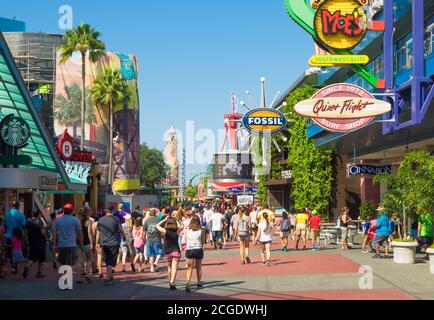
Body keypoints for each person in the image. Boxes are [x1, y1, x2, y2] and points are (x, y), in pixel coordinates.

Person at [52, 203, 83, 287]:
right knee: (69, 263)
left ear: (63, 210)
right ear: (72, 210)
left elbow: (54, 233)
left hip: (61, 244)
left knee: (63, 263)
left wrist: (54, 244)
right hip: (71, 244)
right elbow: (80, 233)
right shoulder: (75, 220)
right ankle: (66, 282)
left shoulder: (57, 220)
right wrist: (81, 243)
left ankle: (64, 281)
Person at [96, 207, 124, 286]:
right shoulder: (116, 219)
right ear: (112, 211)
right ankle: (107, 279)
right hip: (113, 243)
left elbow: (98, 232)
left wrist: (97, 242)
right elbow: (121, 230)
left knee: (107, 259)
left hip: (103, 243)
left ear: (106, 211)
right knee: (110, 261)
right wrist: (124, 236)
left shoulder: (100, 220)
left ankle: (110, 275)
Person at [156, 213, 184, 290]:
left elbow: (157, 226)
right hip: (176, 250)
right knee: (174, 267)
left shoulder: (165, 231)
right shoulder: (177, 231)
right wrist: (178, 219)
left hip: (168, 251)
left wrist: (164, 220)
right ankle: (172, 282)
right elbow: (182, 226)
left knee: (169, 267)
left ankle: (169, 281)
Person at [185, 215, 206, 293]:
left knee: (189, 268)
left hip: (190, 249)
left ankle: (188, 282)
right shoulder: (201, 230)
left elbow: (185, 238)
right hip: (198, 249)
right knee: (198, 267)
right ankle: (198, 282)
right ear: (199, 221)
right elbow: (203, 241)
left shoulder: (187, 230)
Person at [23, 210, 47, 279]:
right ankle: (39, 272)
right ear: (39, 214)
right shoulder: (40, 222)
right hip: (40, 242)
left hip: (31, 242)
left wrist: (27, 239)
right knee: (41, 258)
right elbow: (43, 232)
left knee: (31, 257)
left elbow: (25, 231)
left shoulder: (29, 221)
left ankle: (26, 267)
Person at [4, 201, 26, 272]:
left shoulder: (7, 214)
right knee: (17, 250)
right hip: (18, 236)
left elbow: (5, 225)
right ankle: (15, 265)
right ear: (18, 206)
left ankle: (12, 266)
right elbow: (24, 225)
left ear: (12, 206)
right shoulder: (21, 214)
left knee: (10, 251)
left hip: (9, 236)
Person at [143, 208, 163, 273]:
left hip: (149, 239)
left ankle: (151, 267)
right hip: (157, 239)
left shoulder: (146, 221)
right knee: (159, 252)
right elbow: (162, 230)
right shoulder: (159, 220)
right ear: (155, 213)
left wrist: (144, 239)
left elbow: (144, 232)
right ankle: (156, 262)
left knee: (151, 254)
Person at [76, 208, 93, 284]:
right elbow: (89, 233)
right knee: (89, 259)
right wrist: (92, 243)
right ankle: (88, 275)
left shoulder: (76, 221)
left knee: (79, 260)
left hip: (77, 241)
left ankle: (79, 278)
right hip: (86, 241)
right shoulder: (88, 221)